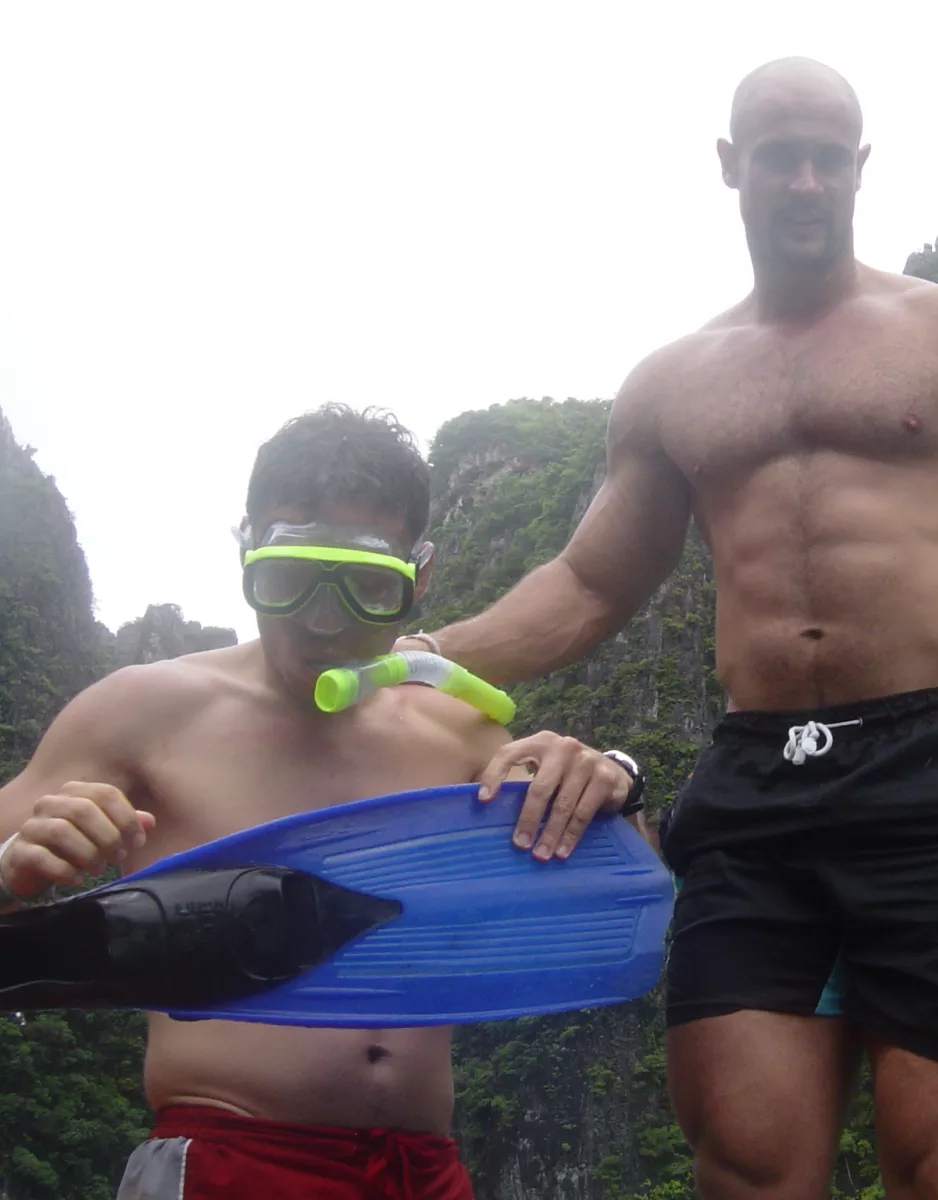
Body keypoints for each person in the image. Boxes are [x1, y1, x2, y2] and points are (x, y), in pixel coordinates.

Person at [401, 57, 938, 1200]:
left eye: (828, 159)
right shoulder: (672, 383)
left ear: (860, 167)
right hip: (757, 786)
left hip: (936, 766)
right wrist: (426, 658)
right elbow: (591, 582)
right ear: (729, 164)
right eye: (778, 157)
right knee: (746, 1164)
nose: (804, 182)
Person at [0, 405, 638, 1199]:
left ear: (419, 576)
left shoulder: (461, 729)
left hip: (425, 1169)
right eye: (289, 579)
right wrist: (12, 865)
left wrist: (611, 782)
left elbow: (611, 897)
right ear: (247, 550)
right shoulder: (145, 711)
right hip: (231, 1158)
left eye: (366, 586)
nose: (323, 621)